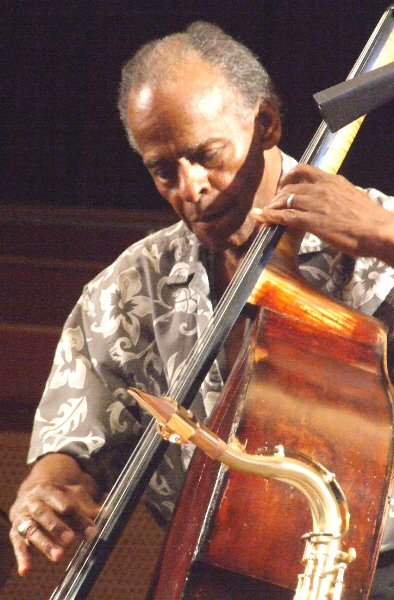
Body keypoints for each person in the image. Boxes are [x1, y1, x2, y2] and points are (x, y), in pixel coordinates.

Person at [8, 21, 394, 598]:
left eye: (206, 155)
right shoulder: (129, 287)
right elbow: (75, 443)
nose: (190, 187)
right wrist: (46, 487)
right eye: (163, 169)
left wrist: (387, 234)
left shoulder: (373, 229)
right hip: (210, 579)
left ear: (265, 124)